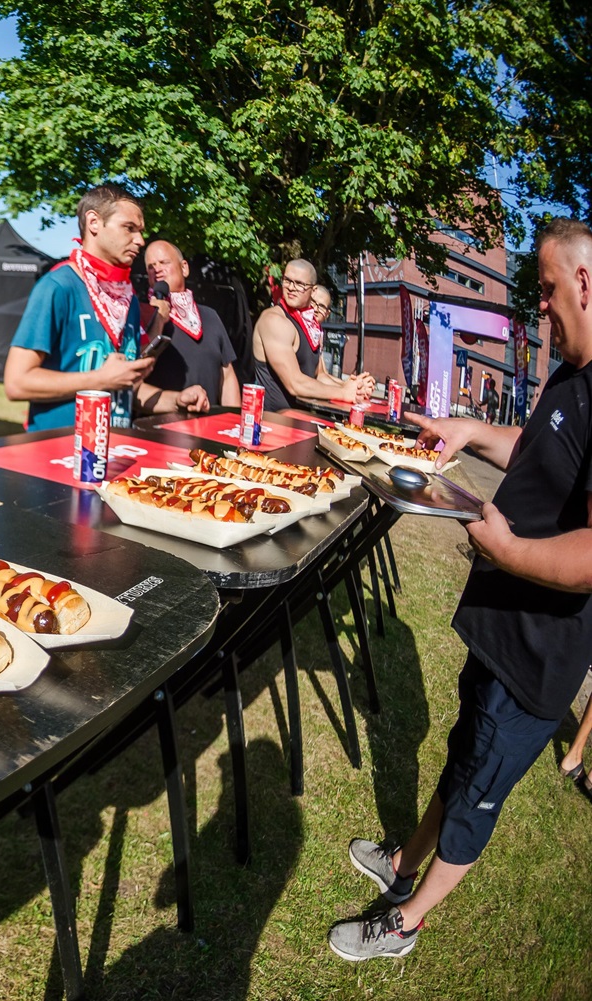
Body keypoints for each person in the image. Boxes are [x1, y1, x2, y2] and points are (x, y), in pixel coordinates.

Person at [328, 217, 592, 961]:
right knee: (461, 752)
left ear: (584, 281)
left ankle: (406, 921)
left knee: (480, 793)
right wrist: (471, 430)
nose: (539, 306)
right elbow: (539, 451)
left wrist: (507, 549)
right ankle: (403, 860)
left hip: (543, 649)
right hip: (504, 623)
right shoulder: (572, 372)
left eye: (545, 289)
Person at [4, 184, 189, 430]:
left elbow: (125, 386)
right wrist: (99, 379)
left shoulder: (128, 299)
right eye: (129, 228)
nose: (140, 240)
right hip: (60, 457)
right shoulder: (58, 286)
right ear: (94, 222)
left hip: (117, 454)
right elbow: (17, 383)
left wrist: (177, 400)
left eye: (140, 231)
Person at [252, 260, 371, 409]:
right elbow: (294, 383)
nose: (291, 288)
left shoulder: (309, 326)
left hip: (300, 422)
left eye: (300, 284)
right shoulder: (274, 320)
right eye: (287, 280)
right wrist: (343, 392)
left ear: (313, 290)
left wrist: (352, 386)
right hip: (273, 424)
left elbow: (319, 376)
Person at [141, 240, 239, 411]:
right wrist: (157, 318)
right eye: (151, 266)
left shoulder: (210, 316)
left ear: (184, 268)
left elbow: (227, 374)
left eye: (164, 262)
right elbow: (136, 370)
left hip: (208, 425)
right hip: (160, 427)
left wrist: (234, 420)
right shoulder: (141, 314)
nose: (157, 270)